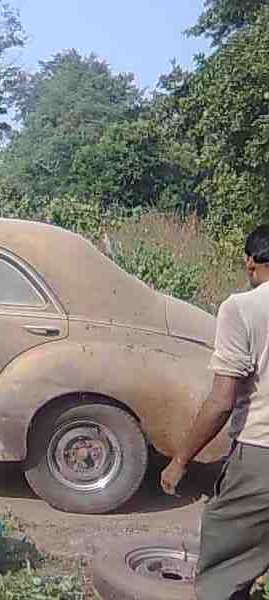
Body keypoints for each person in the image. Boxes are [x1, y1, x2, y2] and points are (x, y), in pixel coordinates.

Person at [161, 224, 269, 600]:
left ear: (250, 262)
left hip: (261, 454)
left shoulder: (243, 308)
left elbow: (222, 400)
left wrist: (180, 460)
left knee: (224, 566)